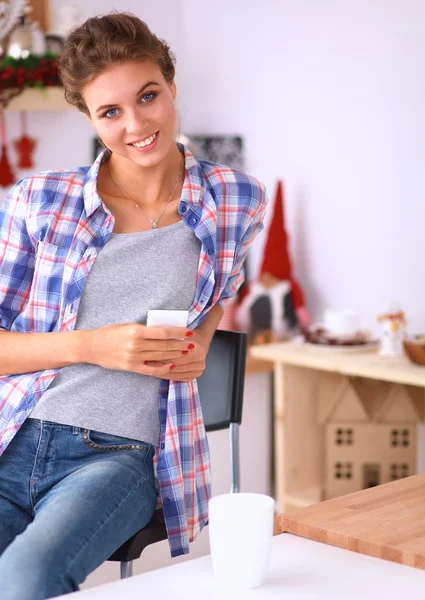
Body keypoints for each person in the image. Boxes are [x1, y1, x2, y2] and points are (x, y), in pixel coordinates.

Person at [0, 11, 267, 599]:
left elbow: (219, 291)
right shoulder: (40, 200)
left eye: (148, 96)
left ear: (171, 83)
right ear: (91, 119)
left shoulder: (236, 199)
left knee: (22, 579)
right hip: (13, 436)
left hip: (115, 459)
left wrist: (201, 339)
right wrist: (91, 345)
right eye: (110, 112)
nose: (136, 124)